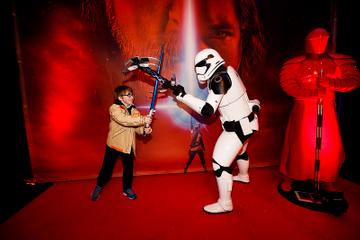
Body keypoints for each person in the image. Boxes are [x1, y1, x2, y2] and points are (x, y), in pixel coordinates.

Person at [165, 48, 260, 214]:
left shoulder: (218, 79)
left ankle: (225, 203)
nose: (197, 73)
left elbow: (208, 110)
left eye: (199, 68)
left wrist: (183, 96)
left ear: (208, 64)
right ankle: (244, 176)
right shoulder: (228, 70)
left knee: (220, 163)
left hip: (238, 127)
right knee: (241, 151)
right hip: (249, 121)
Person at [279, 28, 360, 192]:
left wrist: (330, 83)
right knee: (300, 144)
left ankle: (326, 177)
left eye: (324, 39)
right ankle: (294, 177)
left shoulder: (338, 62)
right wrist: (312, 92)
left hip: (327, 109)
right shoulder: (296, 64)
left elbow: (353, 80)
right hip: (304, 110)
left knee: (329, 145)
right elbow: (288, 85)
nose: (320, 42)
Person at [91, 85, 152, 201]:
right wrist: (143, 119)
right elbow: (124, 120)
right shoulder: (114, 108)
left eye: (131, 94)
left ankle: (127, 189)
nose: (131, 97)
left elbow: (137, 128)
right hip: (114, 144)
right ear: (120, 98)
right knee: (107, 169)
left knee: (128, 169)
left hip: (128, 146)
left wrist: (144, 130)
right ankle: (98, 186)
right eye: (128, 95)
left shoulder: (134, 111)